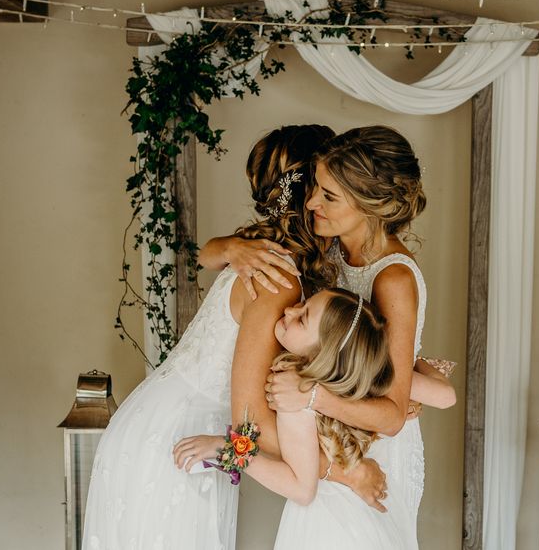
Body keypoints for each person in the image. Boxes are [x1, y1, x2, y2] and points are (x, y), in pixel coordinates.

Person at [82, 125, 386, 550]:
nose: (331, 197)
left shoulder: (268, 254)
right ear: (307, 193)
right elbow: (252, 422)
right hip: (179, 441)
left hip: (182, 430)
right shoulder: (278, 278)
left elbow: (209, 252)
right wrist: (344, 470)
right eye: (328, 186)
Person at [202, 126, 446, 543]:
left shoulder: (393, 280)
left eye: (328, 195)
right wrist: (229, 248)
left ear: (372, 204)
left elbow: (390, 415)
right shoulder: (326, 246)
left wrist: (313, 396)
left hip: (368, 445)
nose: (311, 202)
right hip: (328, 433)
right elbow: (207, 254)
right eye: (316, 188)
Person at [175, 288, 418, 549]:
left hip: (329, 527)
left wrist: (227, 449)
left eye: (302, 318)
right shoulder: (334, 385)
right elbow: (443, 395)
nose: (290, 310)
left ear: (321, 354)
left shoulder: (293, 393)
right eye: (303, 303)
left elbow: (301, 490)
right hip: (353, 516)